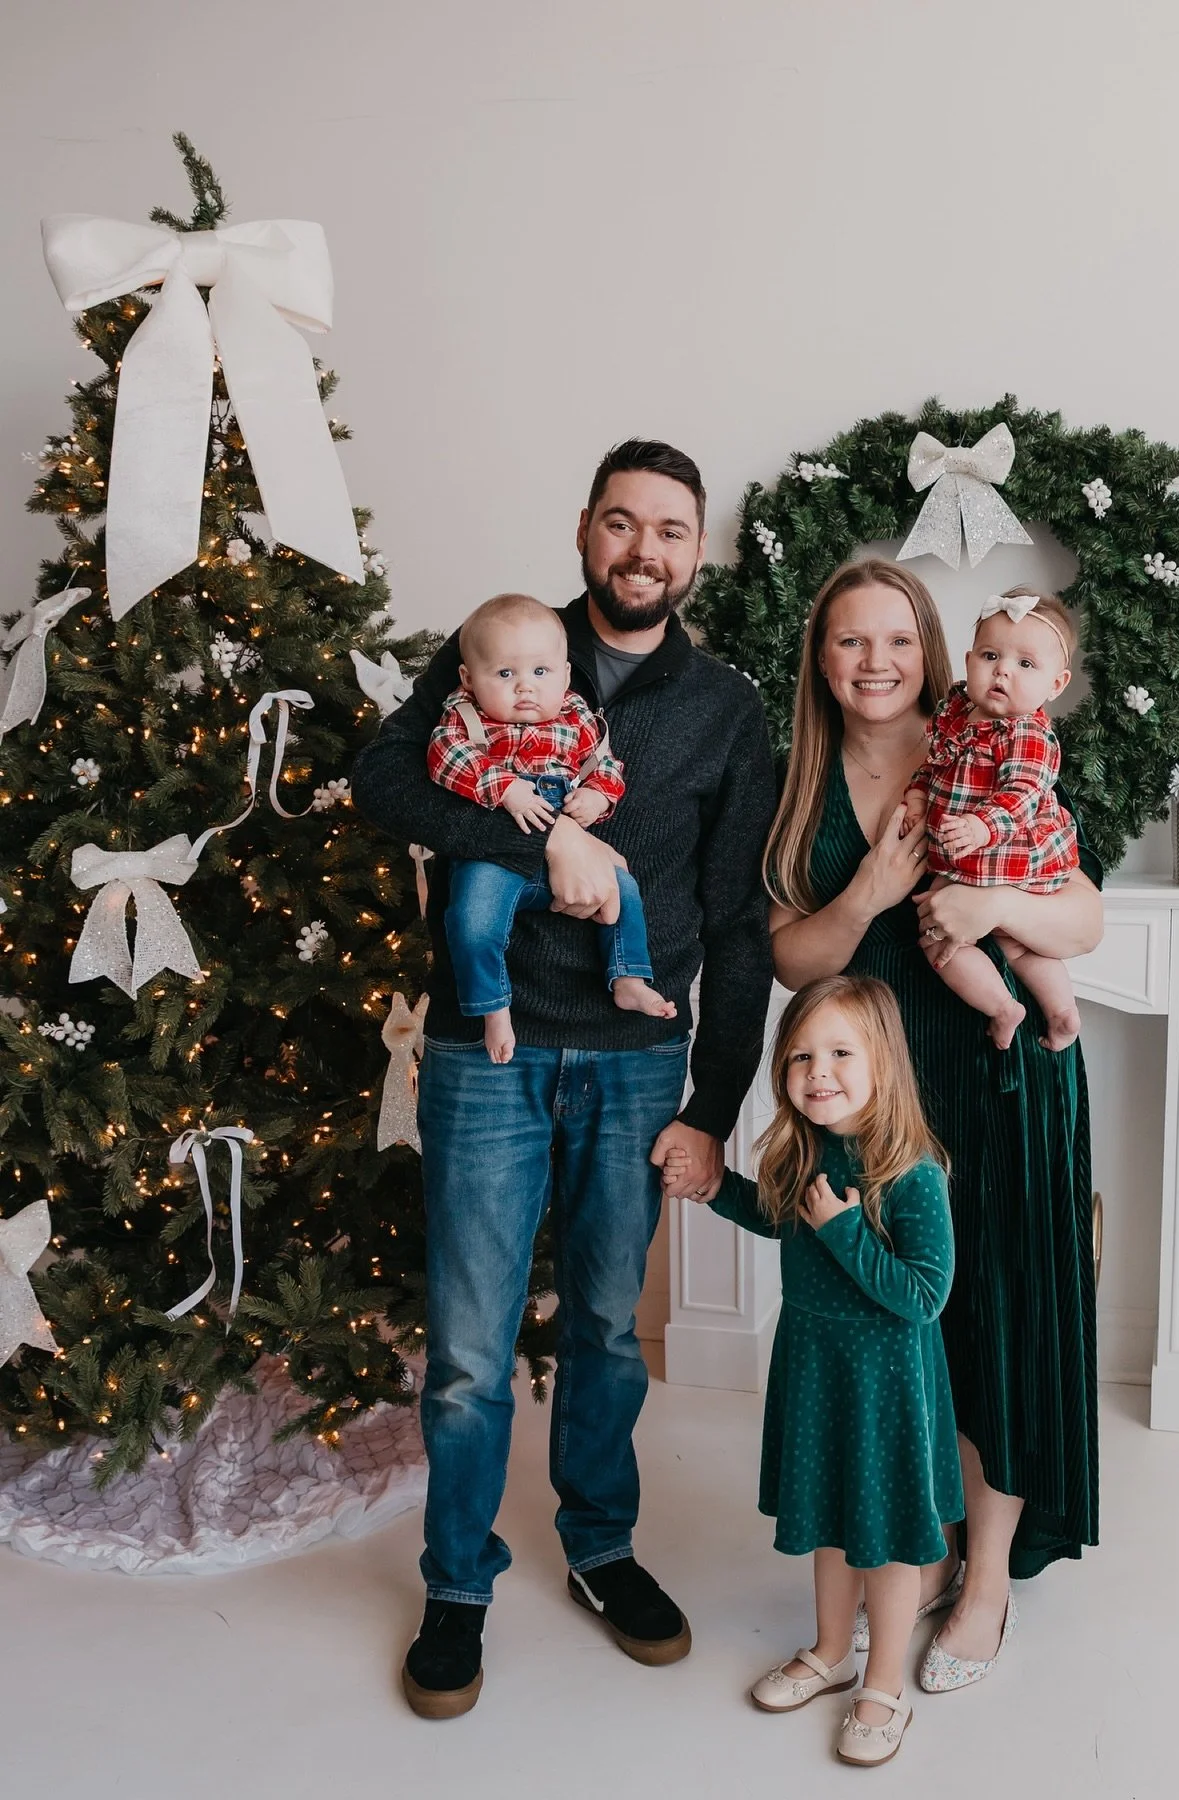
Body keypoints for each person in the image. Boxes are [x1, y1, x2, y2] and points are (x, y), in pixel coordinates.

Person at [350, 440, 775, 1719]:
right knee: (471, 1353)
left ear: (697, 553)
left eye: (672, 531)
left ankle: (600, 1548)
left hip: (639, 1064)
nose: (645, 550)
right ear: (586, 531)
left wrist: (713, 1103)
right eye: (622, 523)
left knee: (604, 1329)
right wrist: (550, 846)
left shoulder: (728, 709)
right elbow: (382, 779)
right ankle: (457, 1581)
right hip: (491, 1058)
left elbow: (737, 917)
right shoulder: (502, 648)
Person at [760, 557, 1103, 1697]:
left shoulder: (983, 747)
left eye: (898, 641)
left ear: (932, 653)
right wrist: (864, 894)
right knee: (906, 1330)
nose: (877, 663)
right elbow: (786, 956)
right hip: (875, 1104)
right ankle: (920, 1551)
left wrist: (996, 905)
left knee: (997, 1314)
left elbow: (1085, 913)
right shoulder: (798, 784)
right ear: (822, 657)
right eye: (852, 641)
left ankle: (989, 1579)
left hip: (995, 1082)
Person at [682, 974, 961, 1768]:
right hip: (815, 1372)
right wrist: (712, 1187)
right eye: (801, 1055)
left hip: (886, 1390)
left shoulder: (912, 1174)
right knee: (831, 1532)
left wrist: (844, 1230)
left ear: (883, 1063)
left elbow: (923, 1296)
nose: (818, 1071)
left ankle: (884, 1687)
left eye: (840, 1052)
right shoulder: (807, 1151)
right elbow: (776, 1216)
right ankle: (830, 1650)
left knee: (889, 1545)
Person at [427, 591, 675, 1063]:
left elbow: (606, 766)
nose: (525, 687)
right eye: (505, 674)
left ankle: (628, 978)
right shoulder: (463, 717)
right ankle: (494, 1007)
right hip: (495, 863)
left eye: (540, 673)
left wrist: (597, 795)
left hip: (570, 870)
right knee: (471, 921)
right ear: (469, 678)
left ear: (563, 675)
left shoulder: (576, 717)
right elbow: (445, 759)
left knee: (624, 888)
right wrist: (504, 788)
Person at [905, 587, 1081, 1052]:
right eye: (990, 655)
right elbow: (935, 763)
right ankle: (1060, 1014)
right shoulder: (957, 716)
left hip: (1001, 858)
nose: (1003, 669)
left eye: (1026, 664)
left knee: (935, 935)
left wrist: (983, 826)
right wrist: (920, 794)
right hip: (972, 857)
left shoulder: (1027, 733)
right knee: (1015, 946)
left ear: (1056, 685)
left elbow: (1024, 792)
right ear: (968, 661)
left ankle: (1005, 1008)